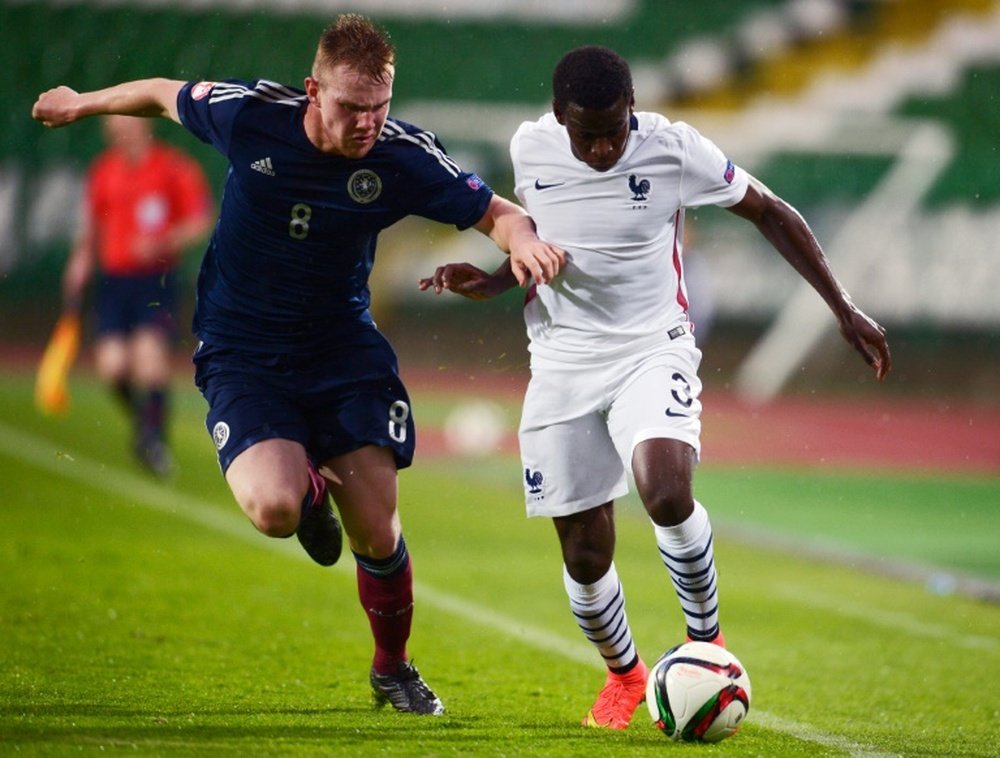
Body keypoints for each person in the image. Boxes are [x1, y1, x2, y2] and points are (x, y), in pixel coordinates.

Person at [32, 14, 564, 716]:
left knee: (378, 530)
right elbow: (164, 92)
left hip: (341, 349)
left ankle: (393, 668)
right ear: (314, 91)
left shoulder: (401, 156)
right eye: (350, 107)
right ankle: (312, 497)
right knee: (274, 508)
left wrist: (521, 237)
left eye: (379, 107)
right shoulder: (251, 116)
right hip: (242, 353)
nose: (367, 122)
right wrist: (81, 102)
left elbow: (496, 211)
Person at [420, 45, 891, 730]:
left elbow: (773, 211)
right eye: (589, 134)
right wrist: (491, 280)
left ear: (633, 106)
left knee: (666, 490)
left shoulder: (675, 149)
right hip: (560, 361)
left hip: (652, 348)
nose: (607, 145)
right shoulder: (530, 150)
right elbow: (539, 246)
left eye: (617, 126)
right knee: (584, 555)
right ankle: (625, 676)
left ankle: (709, 645)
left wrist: (843, 308)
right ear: (559, 118)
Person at [62, 114, 213, 475]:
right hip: (114, 281)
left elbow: (200, 219)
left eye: (126, 127)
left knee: (149, 360)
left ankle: (154, 441)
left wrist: (164, 241)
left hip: (156, 280)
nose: (120, 135)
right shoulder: (104, 170)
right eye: (114, 130)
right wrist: (80, 261)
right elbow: (92, 223)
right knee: (113, 367)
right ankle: (146, 424)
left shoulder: (173, 167)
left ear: (144, 126)